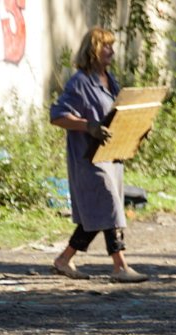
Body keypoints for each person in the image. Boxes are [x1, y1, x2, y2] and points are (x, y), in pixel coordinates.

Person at [50, 26, 148, 283]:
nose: (111, 50)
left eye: (111, 45)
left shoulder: (109, 79)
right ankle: (120, 267)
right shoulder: (80, 82)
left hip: (111, 155)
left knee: (98, 211)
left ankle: (63, 259)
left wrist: (137, 127)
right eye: (106, 45)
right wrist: (88, 126)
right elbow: (58, 116)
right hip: (88, 157)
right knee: (109, 206)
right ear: (92, 49)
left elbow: (117, 113)